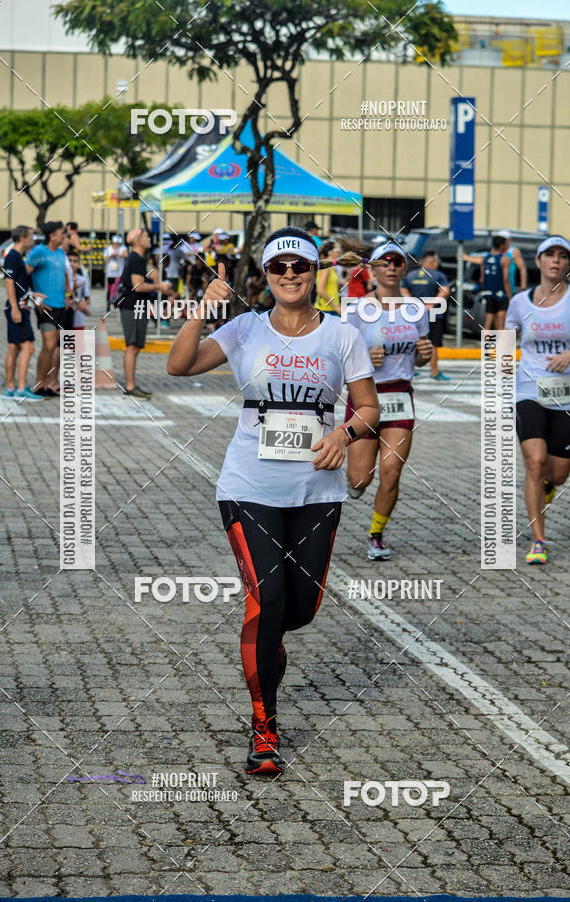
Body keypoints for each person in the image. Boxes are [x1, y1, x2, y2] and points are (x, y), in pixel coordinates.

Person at [167, 226, 378, 775]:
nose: (290, 275)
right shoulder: (244, 329)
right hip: (249, 488)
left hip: (316, 490)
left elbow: (369, 409)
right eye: (279, 267)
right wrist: (199, 311)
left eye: (300, 267)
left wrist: (344, 436)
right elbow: (179, 366)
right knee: (265, 603)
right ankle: (265, 728)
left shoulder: (341, 336)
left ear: (314, 273)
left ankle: (268, 646)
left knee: (298, 610)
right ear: (266, 275)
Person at [343, 240, 433, 560]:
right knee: (359, 479)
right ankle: (354, 481)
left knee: (391, 470)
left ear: (404, 268)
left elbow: (420, 355)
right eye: (385, 262)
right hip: (365, 396)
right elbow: (342, 360)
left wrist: (425, 355)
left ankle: (376, 535)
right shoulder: (356, 311)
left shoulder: (416, 309)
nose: (392, 267)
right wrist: (365, 359)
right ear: (373, 269)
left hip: (399, 396)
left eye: (397, 262)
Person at [505, 236, 570, 565]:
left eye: (562, 255)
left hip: (568, 396)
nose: (555, 260)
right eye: (549, 254)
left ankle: (547, 491)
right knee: (534, 463)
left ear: (568, 264)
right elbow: (504, 340)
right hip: (529, 390)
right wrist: (502, 360)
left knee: (558, 473)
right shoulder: (520, 303)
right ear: (538, 261)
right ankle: (539, 539)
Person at [116, 228, 173, 399]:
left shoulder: (138, 259)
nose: (149, 238)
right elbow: (138, 286)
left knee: (135, 346)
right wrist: (159, 286)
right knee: (132, 346)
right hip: (132, 307)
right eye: (146, 236)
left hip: (137, 306)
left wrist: (154, 281)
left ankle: (131, 384)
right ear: (137, 240)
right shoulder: (135, 259)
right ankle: (130, 385)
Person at [26, 220, 70, 397]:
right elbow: (23, 275)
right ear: (52, 236)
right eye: (61, 233)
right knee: (48, 345)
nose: (64, 236)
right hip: (47, 307)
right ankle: (38, 385)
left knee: (53, 348)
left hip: (61, 306)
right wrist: (34, 296)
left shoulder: (60, 253)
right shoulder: (38, 252)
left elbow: (66, 276)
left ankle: (46, 385)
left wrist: (68, 297)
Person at [2, 225, 44, 400]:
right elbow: (9, 282)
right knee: (29, 347)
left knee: (14, 348)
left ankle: (10, 387)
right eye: (31, 237)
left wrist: (32, 295)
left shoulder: (18, 257)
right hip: (18, 309)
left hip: (20, 306)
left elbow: (18, 285)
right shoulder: (13, 257)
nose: (33, 240)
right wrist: (15, 308)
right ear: (23, 238)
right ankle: (21, 389)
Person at [402, 250, 451, 380]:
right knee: (433, 343)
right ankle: (434, 372)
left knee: (412, 341)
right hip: (433, 314)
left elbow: (403, 290)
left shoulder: (411, 275)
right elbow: (444, 291)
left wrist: (414, 304)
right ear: (432, 262)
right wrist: (431, 304)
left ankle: (410, 370)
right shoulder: (438, 275)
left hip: (413, 314)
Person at [481, 234, 511, 331]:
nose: (507, 246)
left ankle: (485, 345)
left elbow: (482, 279)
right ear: (502, 245)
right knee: (501, 323)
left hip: (488, 293)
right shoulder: (504, 259)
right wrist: (510, 296)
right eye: (506, 244)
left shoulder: (485, 258)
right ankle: (501, 346)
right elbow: (505, 279)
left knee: (488, 322)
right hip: (501, 293)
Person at [496, 229, 527, 296]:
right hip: (495, 287)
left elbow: (522, 268)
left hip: (508, 288)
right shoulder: (496, 251)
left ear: (509, 240)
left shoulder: (513, 251)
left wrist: (523, 287)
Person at [315, 241, 342, 315]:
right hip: (325, 309)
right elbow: (320, 289)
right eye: (337, 250)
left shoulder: (332, 268)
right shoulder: (326, 268)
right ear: (330, 252)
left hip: (331, 309)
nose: (339, 252)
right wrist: (336, 307)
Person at [103, 235, 128, 311]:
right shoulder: (108, 249)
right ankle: (108, 304)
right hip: (110, 273)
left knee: (119, 289)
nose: (117, 245)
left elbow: (126, 255)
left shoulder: (122, 248)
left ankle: (119, 304)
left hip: (119, 273)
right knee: (109, 289)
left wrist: (118, 254)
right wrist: (111, 256)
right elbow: (104, 259)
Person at [69, 250, 91, 329]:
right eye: (70, 261)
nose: (72, 264)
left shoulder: (82, 280)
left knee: (79, 341)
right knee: (66, 340)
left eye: (75, 261)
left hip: (78, 320)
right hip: (65, 317)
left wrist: (81, 305)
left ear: (78, 264)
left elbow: (87, 300)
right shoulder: (62, 279)